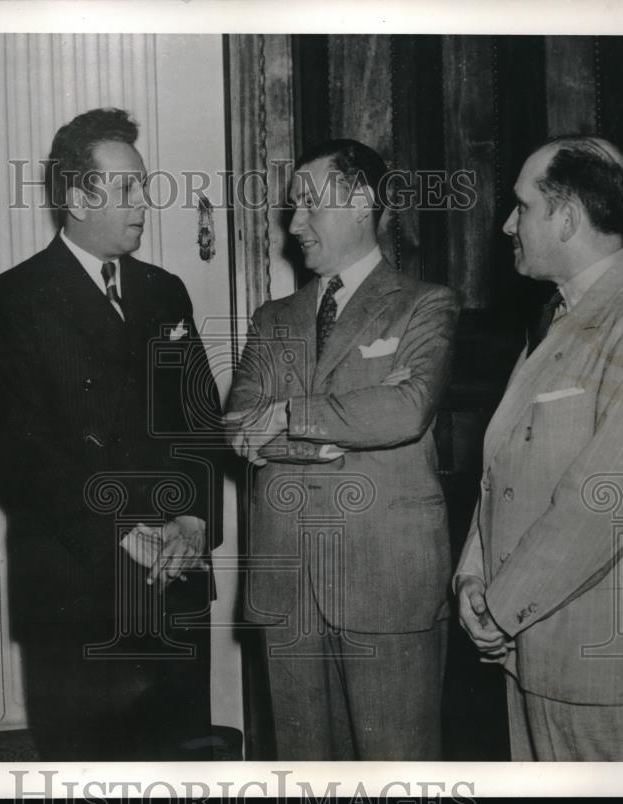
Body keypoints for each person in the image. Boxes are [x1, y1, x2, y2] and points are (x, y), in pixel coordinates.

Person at [0, 107, 222, 761]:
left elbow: (201, 421)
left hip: (174, 579)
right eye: (126, 188)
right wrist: (120, 529)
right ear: (77, 198)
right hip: (77, 590)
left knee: (179, 771)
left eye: (144, 185)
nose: (144, 202)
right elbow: (18, 456)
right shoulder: (14, 300)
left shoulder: (166, 292)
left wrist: (194, 520)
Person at [225, 139, 459, 760]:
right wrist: (336, 435)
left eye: (309, 205)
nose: (295, 223)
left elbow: (405, 409)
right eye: (293, 207)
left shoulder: (425, 304)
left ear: (360, 202)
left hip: (386, 584)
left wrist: (291, 415)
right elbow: (240, 424)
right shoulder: (273, 318)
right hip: (289, 588)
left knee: (398, 771)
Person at [454, 135, 623, 761]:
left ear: (567, 217)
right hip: (532, 655)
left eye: (522, 206)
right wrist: (473, 573)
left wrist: (498, 606)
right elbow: (503, 467)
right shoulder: (560, 318)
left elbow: (600, 503)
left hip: (608, 678)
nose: (508, 225)